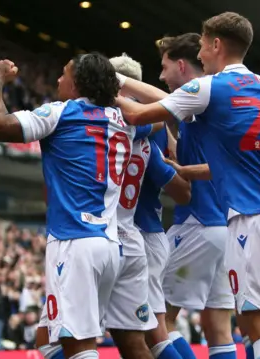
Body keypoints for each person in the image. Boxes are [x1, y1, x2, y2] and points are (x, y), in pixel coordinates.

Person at [114, 12, 260, 359]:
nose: (200, 55)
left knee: (167, 321)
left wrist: (106, 83)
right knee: (251, 326)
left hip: (251, 219)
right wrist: (186, 170)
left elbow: (138, 114)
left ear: (216, 45)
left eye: (202, 45)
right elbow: (228, 162)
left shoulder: (210, 87)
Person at [0, 53, 152, 359]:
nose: (58, 80)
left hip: (74, 242)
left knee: (79, 347)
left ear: (78, 84)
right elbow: (163, 109)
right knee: (49, 341)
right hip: (109, 246)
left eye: (64, 75)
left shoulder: (62, 113)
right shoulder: (126, 121)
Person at [156, 33, 236, 359]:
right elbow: (193, 155)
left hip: (197, 224)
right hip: (223, 230)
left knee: (154, 318)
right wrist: (175, 156)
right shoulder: (210, 105)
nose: (161, 77)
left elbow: (152, 104)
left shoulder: (197, 95)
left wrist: (118, 85)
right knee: (218, 327)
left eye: (163, 68)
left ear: (179, 65)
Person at [109, 53, 190, 359]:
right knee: (156, 331)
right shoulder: (147, 133)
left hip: (133, 235)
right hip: (144, 234)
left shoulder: (119, 128)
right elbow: (180, 191)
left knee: (152, 334)